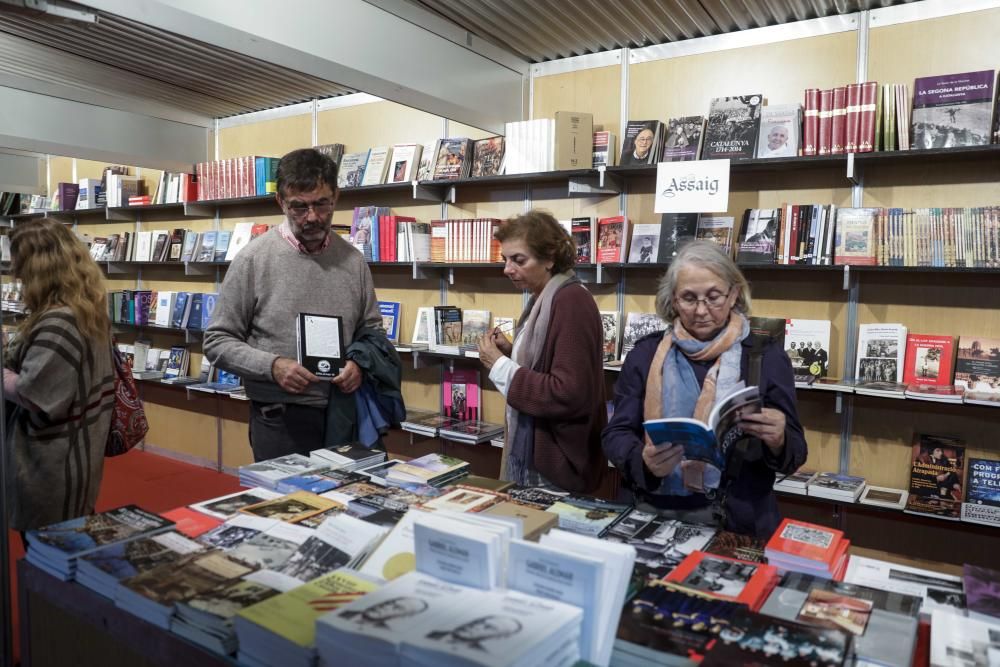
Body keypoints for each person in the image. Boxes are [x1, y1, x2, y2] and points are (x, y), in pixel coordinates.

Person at [602, 240, 807, 538]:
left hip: (737, 521)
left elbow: (795, 453)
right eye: (688, 298)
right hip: (654, 512)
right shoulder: (646, 354)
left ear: (734, 293)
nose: (701, 310)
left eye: (713, 297)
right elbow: (616, 434)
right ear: (672, 299)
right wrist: (642, 460)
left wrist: (779, 439)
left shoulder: (764, 357)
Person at [205, 148, 383, 461]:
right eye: (299, 207)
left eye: (321, 204)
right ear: (281, 203)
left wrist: (360, 366)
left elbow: (372, 331)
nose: (312, 217)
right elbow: (217, 341)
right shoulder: (253, 259)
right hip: (279, 418)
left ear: (336, 198)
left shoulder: (353, 261)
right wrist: (272, 367)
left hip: (344, 414)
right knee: (284, 509)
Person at [477, 210, 607, 493]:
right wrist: (511, 352)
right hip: (541, 456)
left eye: (518, 260)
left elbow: (567, 393)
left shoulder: (571, 302)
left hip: (556, 466)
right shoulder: (546, 298)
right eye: (505, 260)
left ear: (549, 257)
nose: (507, 269)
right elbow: (545, 366)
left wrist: (499, 365)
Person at [3, 219, 115, 535]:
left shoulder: (59, 322)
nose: (15, 273)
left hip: (52, 462)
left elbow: (33, 393)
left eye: (20, 264)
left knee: (50, 547)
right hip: (78, 454)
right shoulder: (86, 310)